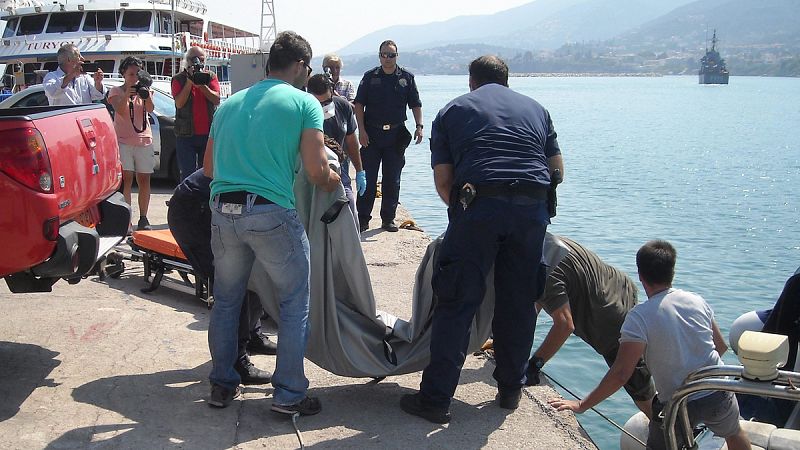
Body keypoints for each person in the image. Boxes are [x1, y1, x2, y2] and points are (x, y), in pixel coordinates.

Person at [400, 55, 564, 424]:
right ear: (507, 80)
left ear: (472, 82)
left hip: (479, 205)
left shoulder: (453, 110)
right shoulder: (538, 110)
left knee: (457, 300)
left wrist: (467, 217)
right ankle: (510, 391)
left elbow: (444, 181)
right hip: (531, 208)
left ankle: (436, 401)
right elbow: (557, 170)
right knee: (519, 302)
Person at [202, 31, 340, 413]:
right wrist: (334, 181)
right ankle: (289, 394)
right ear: (300, 66)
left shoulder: (228, 104)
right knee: (294, 301)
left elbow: (209, 167)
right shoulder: (305, 103)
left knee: (226, 301)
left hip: (223, 211)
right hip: (270, 213)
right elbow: (316, 171)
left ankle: (221, 384)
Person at [549, 240, 750, 450]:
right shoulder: (696, 300)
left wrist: (581, 405)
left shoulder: (639, 317)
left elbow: (621, 373)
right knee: (734, 432)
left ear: (640, 275)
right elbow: (720, 346)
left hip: (676, 403)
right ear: (672, 271)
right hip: (715, 390)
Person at [523, 234, 655, 418]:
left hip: (610, 318)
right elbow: (537, 300)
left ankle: (665, 426)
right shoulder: (545, 240)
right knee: (652, 358)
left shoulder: (541, 271)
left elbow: (564, 326)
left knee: (634, 377)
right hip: (621, 286)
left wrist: (534, 365)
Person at [167, 169, 277, 386]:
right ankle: (235, 362)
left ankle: (251, 334)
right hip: (196, 209)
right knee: (232, 284)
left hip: (222, 206)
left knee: (255, 270)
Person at [353, 40, 423, 233]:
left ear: (397, 56)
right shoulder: (370, 77)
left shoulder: (406, 78)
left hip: (396, 135)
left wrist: (419, 126)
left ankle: (388, 219)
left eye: (391, 55)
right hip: (372, 134)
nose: (387, 58)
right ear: (379, 56)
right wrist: (361, 131)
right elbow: (359, 105)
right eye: (384, 54)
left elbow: (415, 104)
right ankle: (363, 218)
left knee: (392, 179)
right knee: (368, 178)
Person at [307, 74, 366, 232]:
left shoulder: (342, 106)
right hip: (311, 176)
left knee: (350, 219)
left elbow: (351, 141)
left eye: (327, 102)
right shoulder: (301, 109)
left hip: (340, 173)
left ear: (332, 92)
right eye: (318, 103)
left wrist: (359, 170)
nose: (323, 106)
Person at [106, 57, 156, 231]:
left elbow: (150, 109)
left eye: (137, 74)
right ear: (123, 75)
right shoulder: (115, 91)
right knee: (126, 180)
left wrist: (145, 94)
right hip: (123, 141)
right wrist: (127, 94)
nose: (134, 78)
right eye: (131, 74)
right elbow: (119, 111)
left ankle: (143, 217)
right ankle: (127, 220)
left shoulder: (145, 90)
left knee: (144, 179)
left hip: (144, 140)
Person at [171, 46, 220, 180]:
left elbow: (216, 100)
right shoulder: (178, 79)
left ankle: (205, 195)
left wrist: (202, 85)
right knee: (187, 174)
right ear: (187, 61)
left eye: (201, 59)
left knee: (208, 173)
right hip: (186, 135)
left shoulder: (210, 77)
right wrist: (189, 82)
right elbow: (179, 103)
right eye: (194, 59)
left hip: (208, 134)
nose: (198, 62)